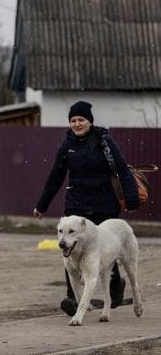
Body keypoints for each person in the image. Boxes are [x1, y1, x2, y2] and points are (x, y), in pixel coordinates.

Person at [33, 100, 139, 316]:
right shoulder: (67, 145)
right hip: (76, 205)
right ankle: (72, 297)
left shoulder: (104, 141)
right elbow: (55, 177)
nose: (77, 124)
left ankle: (115, 284)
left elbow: (122, 170)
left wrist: (132, 199)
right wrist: (42, 205)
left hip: (104, 204)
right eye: (73, 120)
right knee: (69, 250)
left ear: (89, 121)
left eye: (81, 120)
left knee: (104, 249)